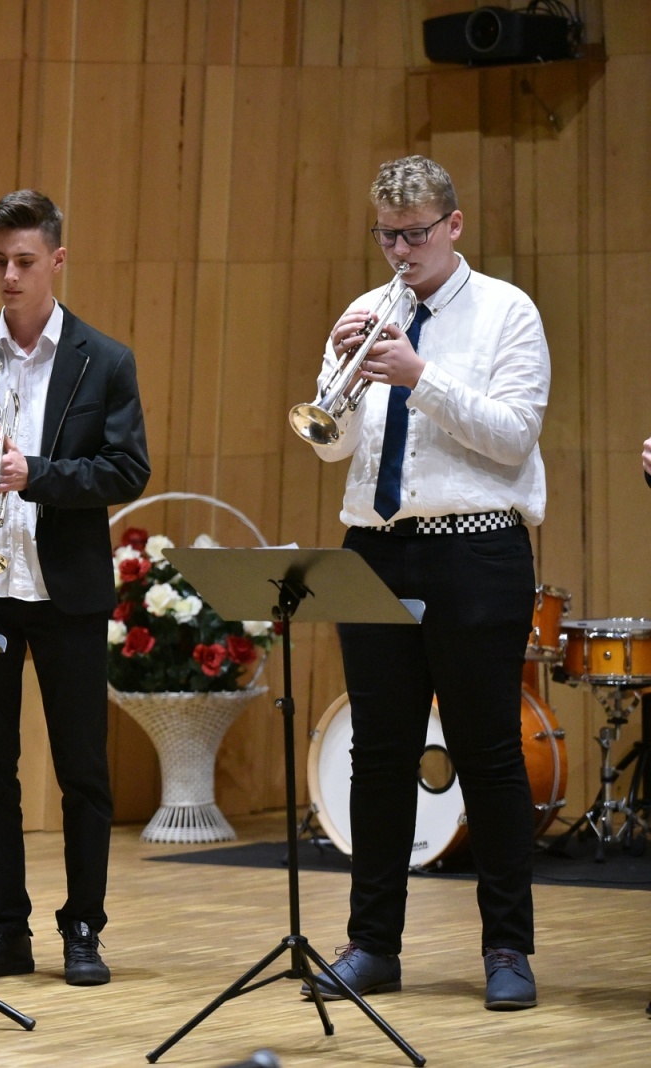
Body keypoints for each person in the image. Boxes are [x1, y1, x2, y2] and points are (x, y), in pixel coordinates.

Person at [304, 156, 550, 1011]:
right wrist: (338, 383)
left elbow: (514, 436)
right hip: (375, 546)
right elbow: (330, 444)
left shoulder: (506, 312)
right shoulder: (367, 311)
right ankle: (373, 946)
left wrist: (420, 377)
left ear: (453, 226)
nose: (399, 251)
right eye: (386, 235)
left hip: (476, 549)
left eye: (414, 235)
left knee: (486, 752)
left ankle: (508, 950)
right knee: (379, 752)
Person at [0, 190, 150, 986]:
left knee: (82, 770)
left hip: (67, 591)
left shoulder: (104, 360)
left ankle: (83, 928)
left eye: (22, 262)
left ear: (56, 259)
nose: (8, 277)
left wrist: (33, 473)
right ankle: (4, 929)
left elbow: (126, 469)